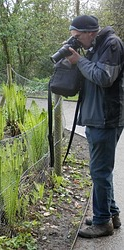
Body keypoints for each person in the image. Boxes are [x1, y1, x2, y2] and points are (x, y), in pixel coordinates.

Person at [66, 15, 124, 238]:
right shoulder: (95, 46)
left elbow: (103, 77)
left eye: (78, 37)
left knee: (99, 171)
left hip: (106, 118)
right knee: (101, 171)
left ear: (90, 32)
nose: (77, 41)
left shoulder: (112, 44)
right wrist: (76, 59)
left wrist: (79, 61)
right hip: (96, 117)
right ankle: (111, 214)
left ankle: (102, 223)